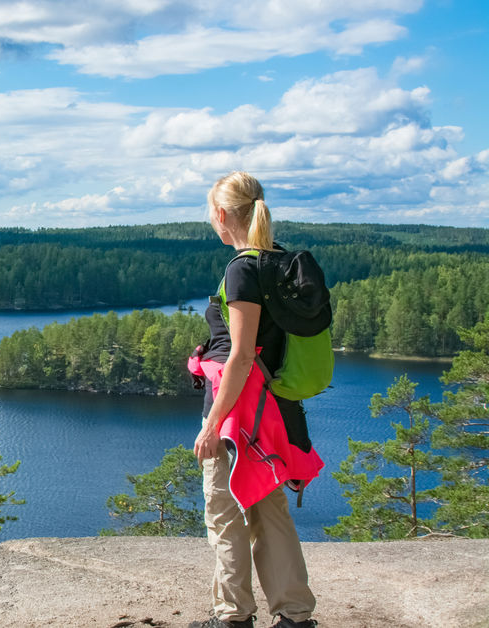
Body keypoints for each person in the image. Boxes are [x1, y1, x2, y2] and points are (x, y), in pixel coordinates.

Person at [187, 172, 319, 628]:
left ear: (222, 215)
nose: (211, 222)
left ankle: (233, 617)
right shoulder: (282, 262)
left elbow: (242, 356)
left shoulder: (243, 268)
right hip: (272, 412)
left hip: (238, 414)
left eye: (211, 214)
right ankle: (296, 617)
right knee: (270, 509)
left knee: (225, 513)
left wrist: (211, 425)